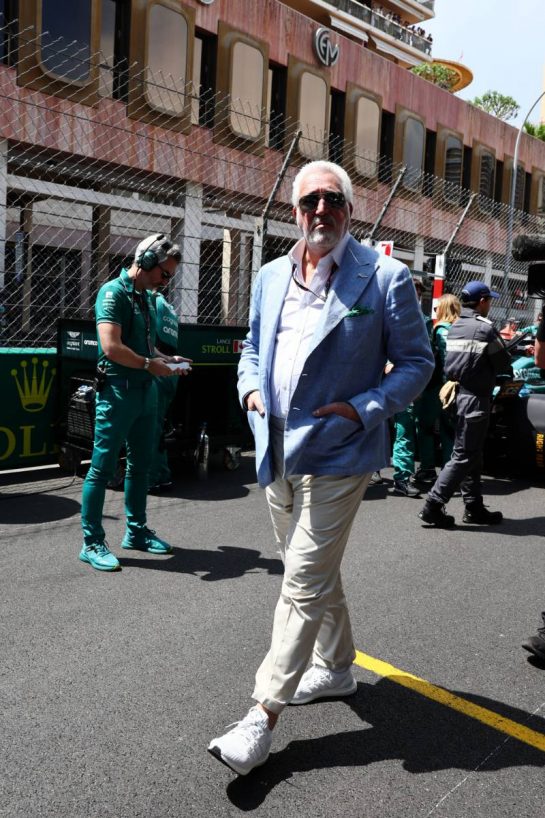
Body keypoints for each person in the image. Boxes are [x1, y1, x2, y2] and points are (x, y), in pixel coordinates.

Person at [207, 160, 434, 776]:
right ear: (294, 210)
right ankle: (336, 670)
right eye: (309, 201)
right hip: (275, 444)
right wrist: (250, 390)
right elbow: (253, 347)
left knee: (302, 578)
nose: (320, 212)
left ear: (350, 210)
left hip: (340, 449)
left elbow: (417, 363)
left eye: (332, 200)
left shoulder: (385, 278)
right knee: (312, 567)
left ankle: (261, 714)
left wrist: (364, 409)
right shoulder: (271, 275)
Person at [79, 234, 191, 572]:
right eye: (163, 273)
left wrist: (167, 359)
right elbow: (111, 347)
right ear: (144, 261)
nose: (165, 281)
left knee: (141, 466)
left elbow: (145, 348)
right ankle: (92, 542)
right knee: (101, 468)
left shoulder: (146, 297)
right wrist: (148, 365)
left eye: (169, 276)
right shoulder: (111, 293)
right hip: (117, 392)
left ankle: (137, 532)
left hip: (146, 392)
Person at [418, 281, 512, 528]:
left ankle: (474, 507)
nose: (490, 304)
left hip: (455, 397)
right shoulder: (484, 329)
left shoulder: (456, 325)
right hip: (475, 400)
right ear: (482, 301)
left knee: (472, 453)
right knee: (464, 455)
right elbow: (503, 364)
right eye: (489, 300)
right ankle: (433, 505)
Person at [391, 276, 433, 497]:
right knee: (403, 431)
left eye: (419, 291)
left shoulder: (424, 319)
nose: (417, 294)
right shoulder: (391, 314)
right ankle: (402, 478)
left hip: (413, 382)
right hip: (397, 381)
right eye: (413, 290)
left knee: (407, 429)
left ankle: (405, 474)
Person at [415, 293, 462, 480]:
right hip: (457, 386)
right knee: (449, 430)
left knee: (424, 426)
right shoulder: (461, 328)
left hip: (438, 387)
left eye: (437, 308)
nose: (435, 312)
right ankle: (449, 473)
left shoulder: (441, 330)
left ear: (443, 309)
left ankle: (427, 468)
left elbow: (444, 359)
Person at [148, 282, 180, 493]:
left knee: (150, 429)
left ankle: (151, 478)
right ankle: (162, 475)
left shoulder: (149, 303)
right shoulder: (168, 307)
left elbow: (147, 343)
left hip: (158, 370)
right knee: (157, 428)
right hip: (171, 372)